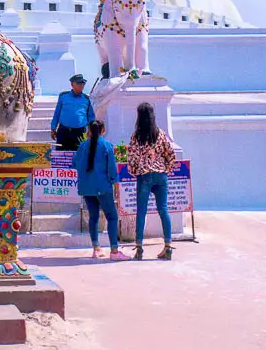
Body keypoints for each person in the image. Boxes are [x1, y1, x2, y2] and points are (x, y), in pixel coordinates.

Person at [128, 102, 176, 261]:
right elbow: (170, 154)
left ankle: (139, 247)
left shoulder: (136, 136)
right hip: (161, 175)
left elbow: (132, 159)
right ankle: (168, 246)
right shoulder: (160, 134)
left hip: (145, 175)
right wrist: (166, 169)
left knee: (142, 211)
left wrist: (136, 172)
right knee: (163, 210)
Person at [73, 120, 127, 260]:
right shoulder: (106, 146)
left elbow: (75, 163)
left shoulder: (83, 146)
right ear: (103, 130)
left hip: (86, 188)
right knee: (112, 217)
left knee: (94, 217)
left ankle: (96, 249)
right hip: (103, 187)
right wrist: (116, 185)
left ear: (89, 131)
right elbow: (112, 169)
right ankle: (114, 251)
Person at [51, 74, 95, 150]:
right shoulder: (63, 96)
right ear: (72, 84)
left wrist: (91, 130)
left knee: (79, 156)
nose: (81, 85)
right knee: (61, 156)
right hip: (63, 131)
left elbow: (91, 116)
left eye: (82, 83)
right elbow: (57, 113)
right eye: (78, 83)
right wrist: (53, 128)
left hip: (79, 132)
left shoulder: (86, 99)